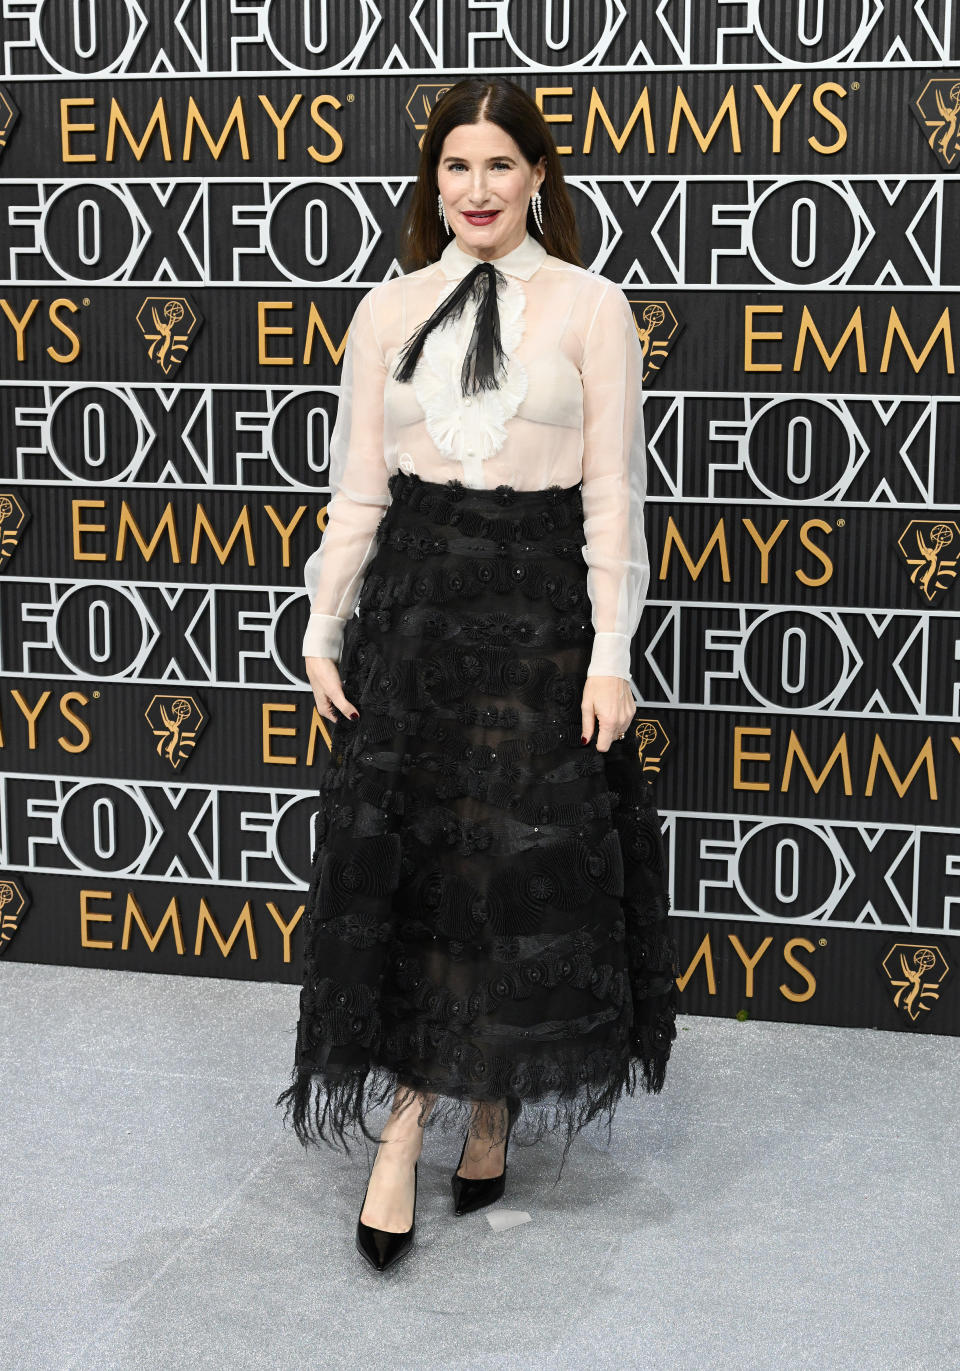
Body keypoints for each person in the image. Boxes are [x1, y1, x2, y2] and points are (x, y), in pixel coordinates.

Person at [276, 75, 679, 1273]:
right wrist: (324, 623)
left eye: (501, 164)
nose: (478, 189)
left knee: (513, 872)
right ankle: (405, 1133)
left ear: (539, 176)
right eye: (457, 166)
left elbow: (615, 497)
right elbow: (359, 490)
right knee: (418, 875)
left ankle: (489, 1105)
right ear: (432, 182)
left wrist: (613, 655)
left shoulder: (591, 307)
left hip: (543, 611)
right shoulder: (387, 309)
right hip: (415, 614)